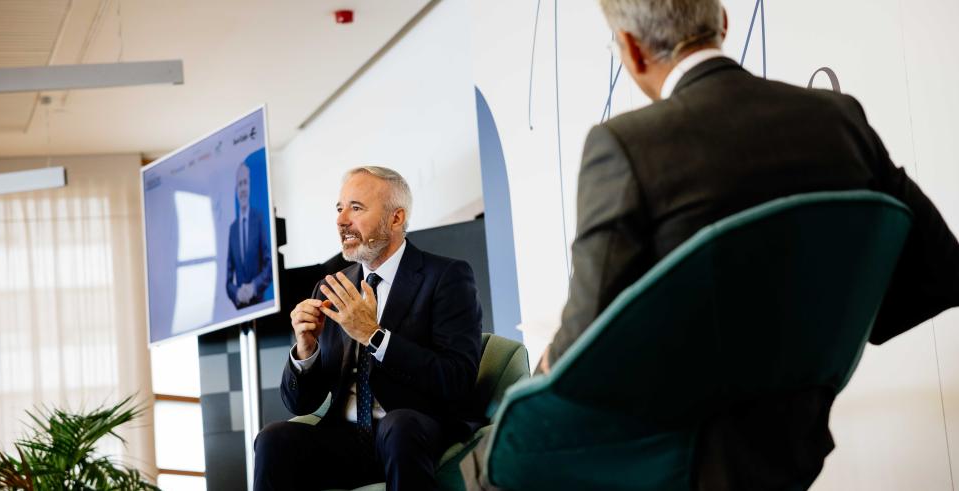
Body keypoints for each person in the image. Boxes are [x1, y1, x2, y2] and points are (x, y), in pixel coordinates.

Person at [462, 0, 959, 489]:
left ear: (632, 50)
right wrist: (814, 344)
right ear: (721, 22)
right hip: (795, 440)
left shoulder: (627, 144)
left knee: (485, 466)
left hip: (677, 457)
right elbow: (939, 273)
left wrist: (547, 364)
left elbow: (581, 356)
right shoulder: (840, 117)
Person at [253, 166, 483, 491]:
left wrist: (374, 336)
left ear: (396, 218)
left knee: (399, 425)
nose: (341, 219)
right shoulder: (331, 287)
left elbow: (457, 378)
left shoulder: (446, 277)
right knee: (273, 439)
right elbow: (301, 404)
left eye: (356, 208)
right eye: (339, 208)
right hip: (345, 438)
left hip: (413, 430)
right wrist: (305, 350)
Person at [226, 162, 272, 309]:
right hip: (240, 310)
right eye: (240, 184)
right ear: (236, 190)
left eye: (245, 183)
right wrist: (237, 293)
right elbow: (227, 281)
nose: (243, 188)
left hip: (261, 305)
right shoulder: (232, 229)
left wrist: (253, 287)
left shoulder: (259, 218)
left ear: (249, 186)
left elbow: (270, 263)